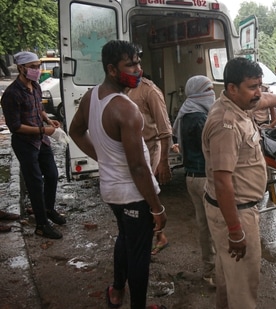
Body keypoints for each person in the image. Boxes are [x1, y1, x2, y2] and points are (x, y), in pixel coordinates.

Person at [69, 40, 167, 309]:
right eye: (131, 65)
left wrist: (104, 156)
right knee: (139, 254)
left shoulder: (92, 97)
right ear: (112, 69)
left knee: (125, 238)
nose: (138, 70)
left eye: (138, 62)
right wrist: (157, 208)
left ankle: (116, 290)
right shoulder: (126, 109)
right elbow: (138, 167)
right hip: (131, 195)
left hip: (112, 191)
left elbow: (76, 131)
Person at [202, 57, 276, 308]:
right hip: (236, 212)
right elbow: (222, 181)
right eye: (252, 87)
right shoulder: (227, 122)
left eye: (260, 85)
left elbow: (265, 99)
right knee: (243, 287)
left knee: (229, 279)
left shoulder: (238, 105)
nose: (258, 92)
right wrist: (236, 230)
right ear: (233, 87)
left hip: (235, 209)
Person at [0, 51, 66, 239]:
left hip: (41, 140)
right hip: (25, 144)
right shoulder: (12, 94)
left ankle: (48, 209)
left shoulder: (35, 87)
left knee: (52, 175)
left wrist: (48, 121)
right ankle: (41, 224)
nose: (37, 70)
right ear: (21, 68)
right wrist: (43, 131)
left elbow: (40, 108)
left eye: (38, 66)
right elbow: (15, 127)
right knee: (35, 183)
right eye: (33, 67)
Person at [172, 75, 216, 286]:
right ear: (198, 93)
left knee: (204, 226)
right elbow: (211, 149)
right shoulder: (199, 118)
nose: (212, 94)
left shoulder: (186, 112)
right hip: (204, 178)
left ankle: (210, 271)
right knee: (214, 227)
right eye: (208, 90)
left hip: (191, 177)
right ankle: (214, 273)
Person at [126, 75, 172, 255]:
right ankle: (157, 236)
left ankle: (157, 236)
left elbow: (165, 130)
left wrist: (164, 162)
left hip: (151, 149)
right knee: (138, 199)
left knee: (147, 197)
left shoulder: (149, 91)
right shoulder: (121, 90)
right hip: (131, 151)